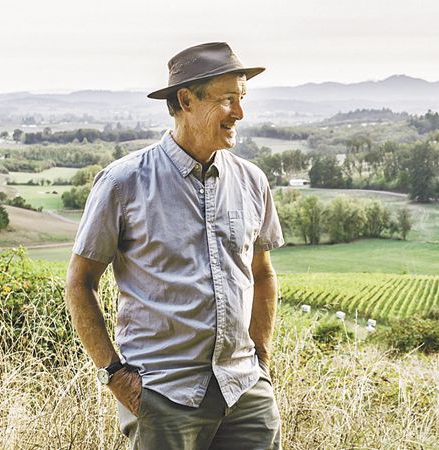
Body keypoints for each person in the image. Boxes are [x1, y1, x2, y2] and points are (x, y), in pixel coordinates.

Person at [65, 42, 284, 449]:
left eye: (242, 99)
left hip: (245, 392)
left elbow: (262, 273)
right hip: (163, 396)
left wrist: (262, 364)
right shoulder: (122, 183)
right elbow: (80, 283)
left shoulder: (253, 181)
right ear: (186, 100)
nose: (239, 113)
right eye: (227, 100)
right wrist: (114, 376)